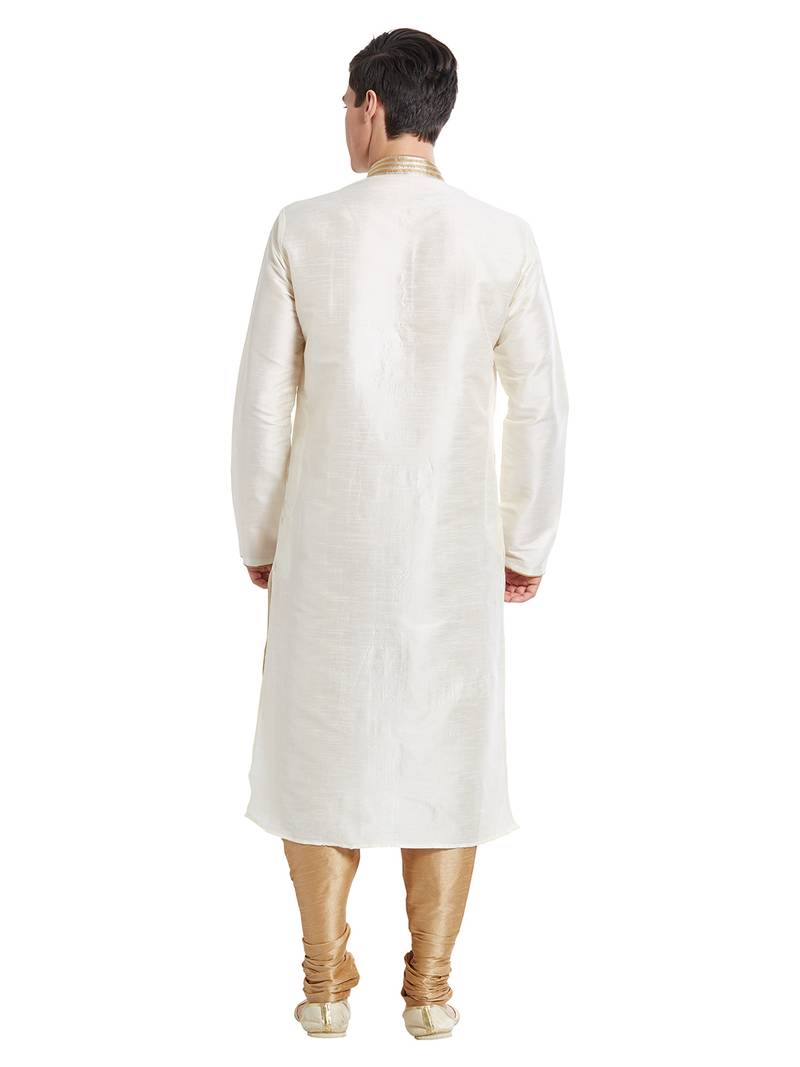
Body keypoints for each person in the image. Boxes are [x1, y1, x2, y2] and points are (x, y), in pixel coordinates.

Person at [230, 27, 569, 1040]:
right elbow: (539, 404)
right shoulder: (501, 237)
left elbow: (262, 401)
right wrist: (523, 539)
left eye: (346, 104)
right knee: (446, 754)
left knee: (315, 749)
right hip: (450, 544)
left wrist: (260, 531)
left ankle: (324, 981)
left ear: (371, 108)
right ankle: (430, 988)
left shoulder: (304, 228)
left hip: (327, 539)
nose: (345, 120)